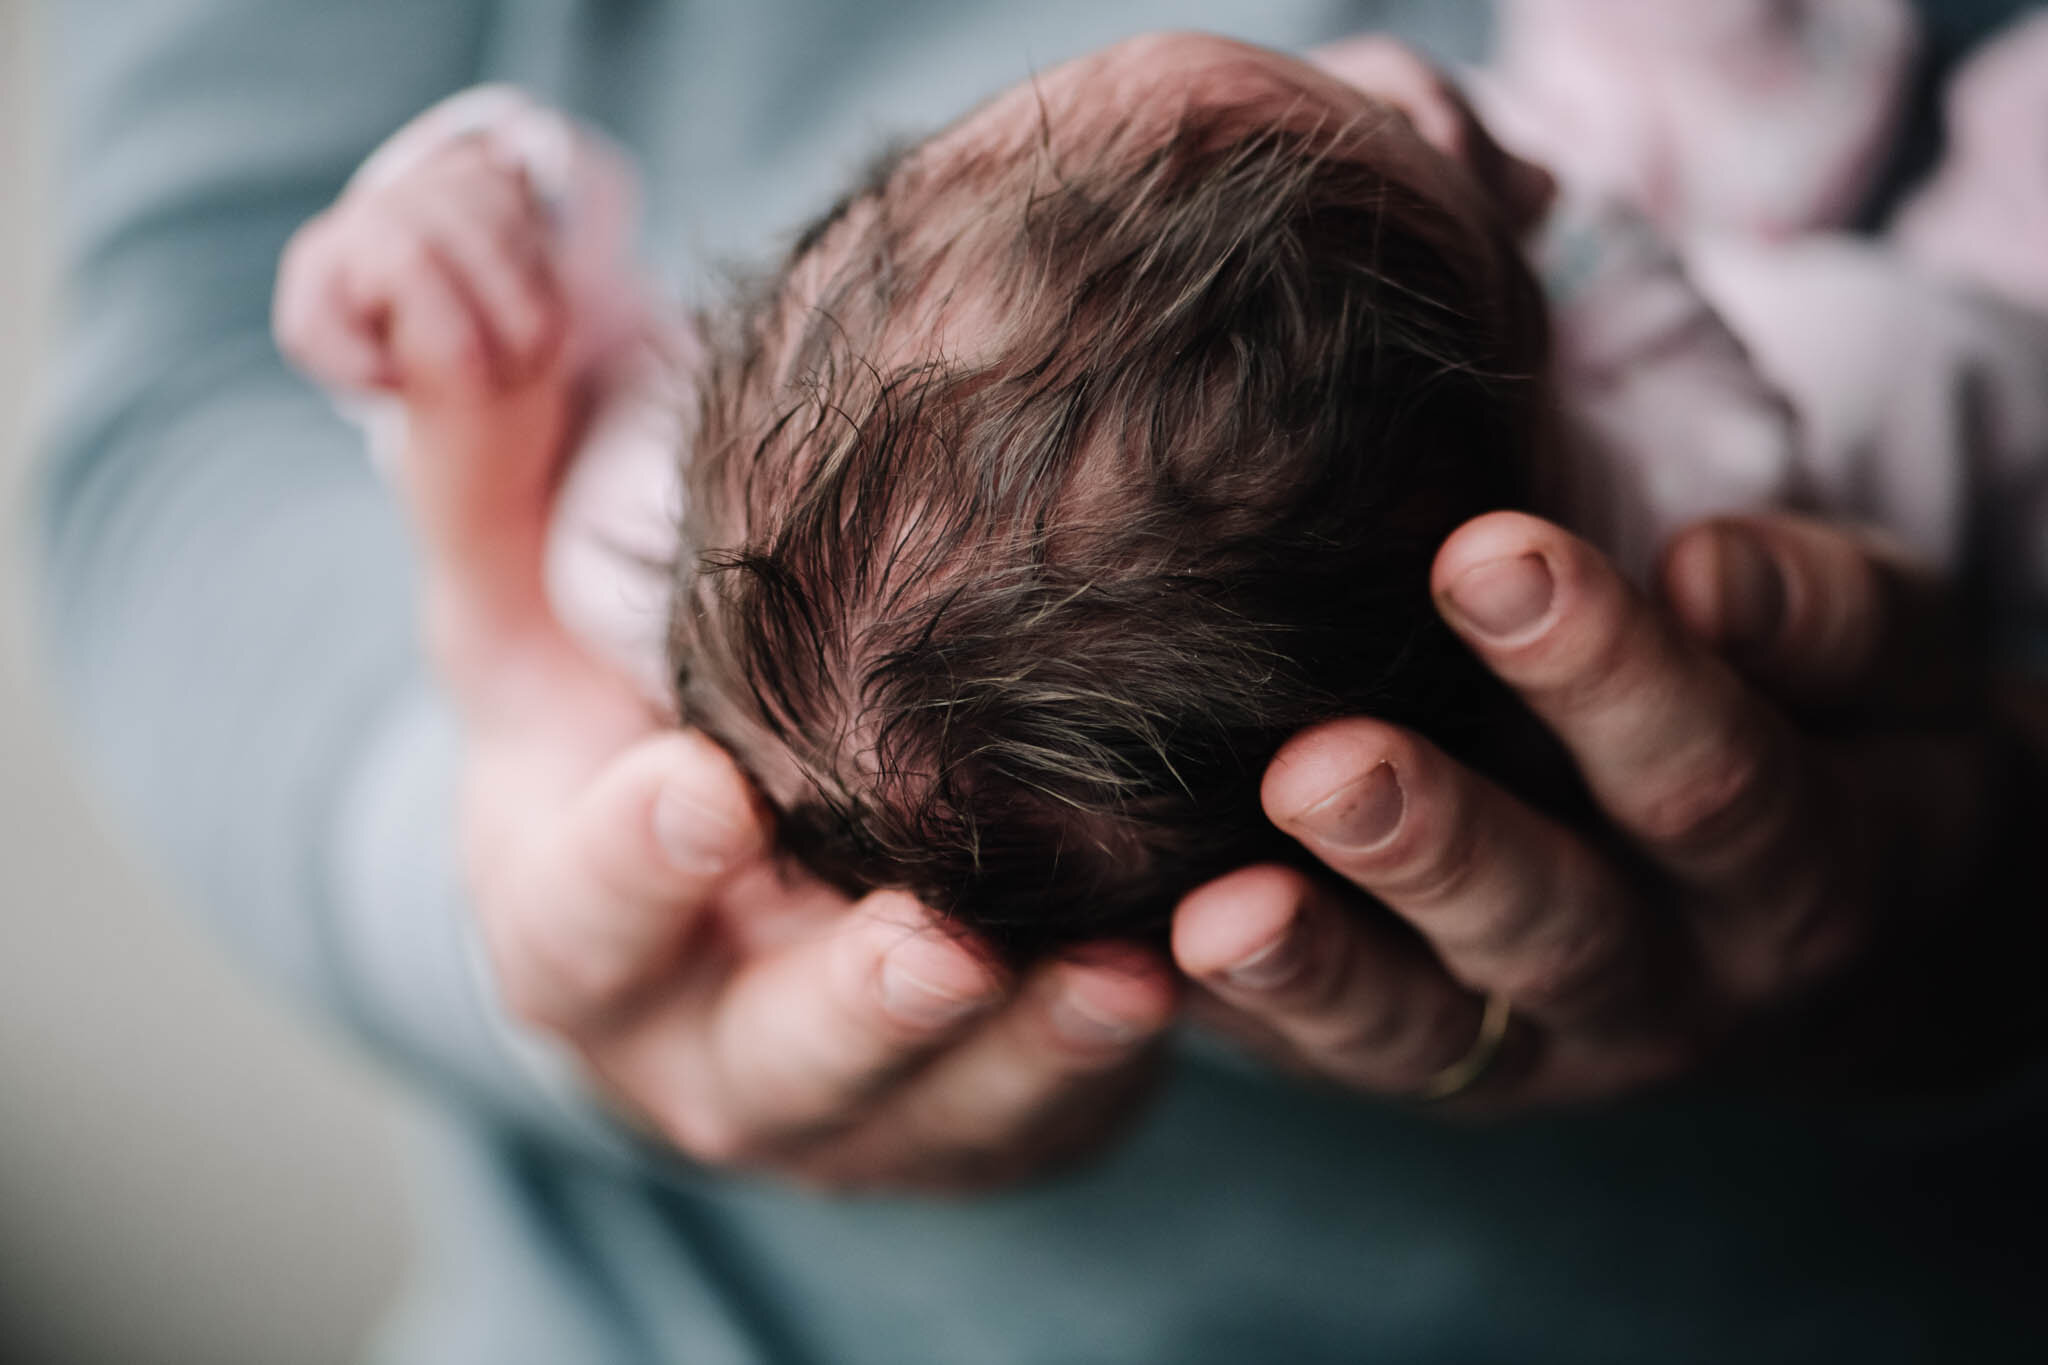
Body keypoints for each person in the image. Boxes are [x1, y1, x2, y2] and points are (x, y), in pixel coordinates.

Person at [33, 2, 2048, 1362]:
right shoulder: (1643, 499)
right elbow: (1705, 398)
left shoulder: (653, 529)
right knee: (1958, 341)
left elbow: (507, 351)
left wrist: (464, 257)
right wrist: (1562, 213)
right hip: (710, 1311)